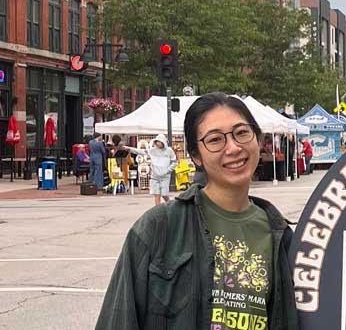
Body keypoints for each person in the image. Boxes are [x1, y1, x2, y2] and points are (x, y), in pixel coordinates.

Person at [97, 92, 299, 330]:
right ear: (196, 155)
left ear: (257, 138)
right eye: (215, 140)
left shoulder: (281, 237)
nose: (233, 148)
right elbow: (118, 320)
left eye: (242, 133)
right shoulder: (158, 227)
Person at [128, 134, 176, 206]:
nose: (158, 143)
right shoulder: (152, 151)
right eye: (157, 142)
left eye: (159, 142)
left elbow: (174, 162)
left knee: (164, 194)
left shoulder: (169, 151)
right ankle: (158, 210)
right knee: (157, 194)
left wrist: (168, 170)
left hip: (165, 177)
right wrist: (129, 149)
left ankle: (170, 205)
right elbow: (141, 151)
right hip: (155, 176)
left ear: (163, 142)